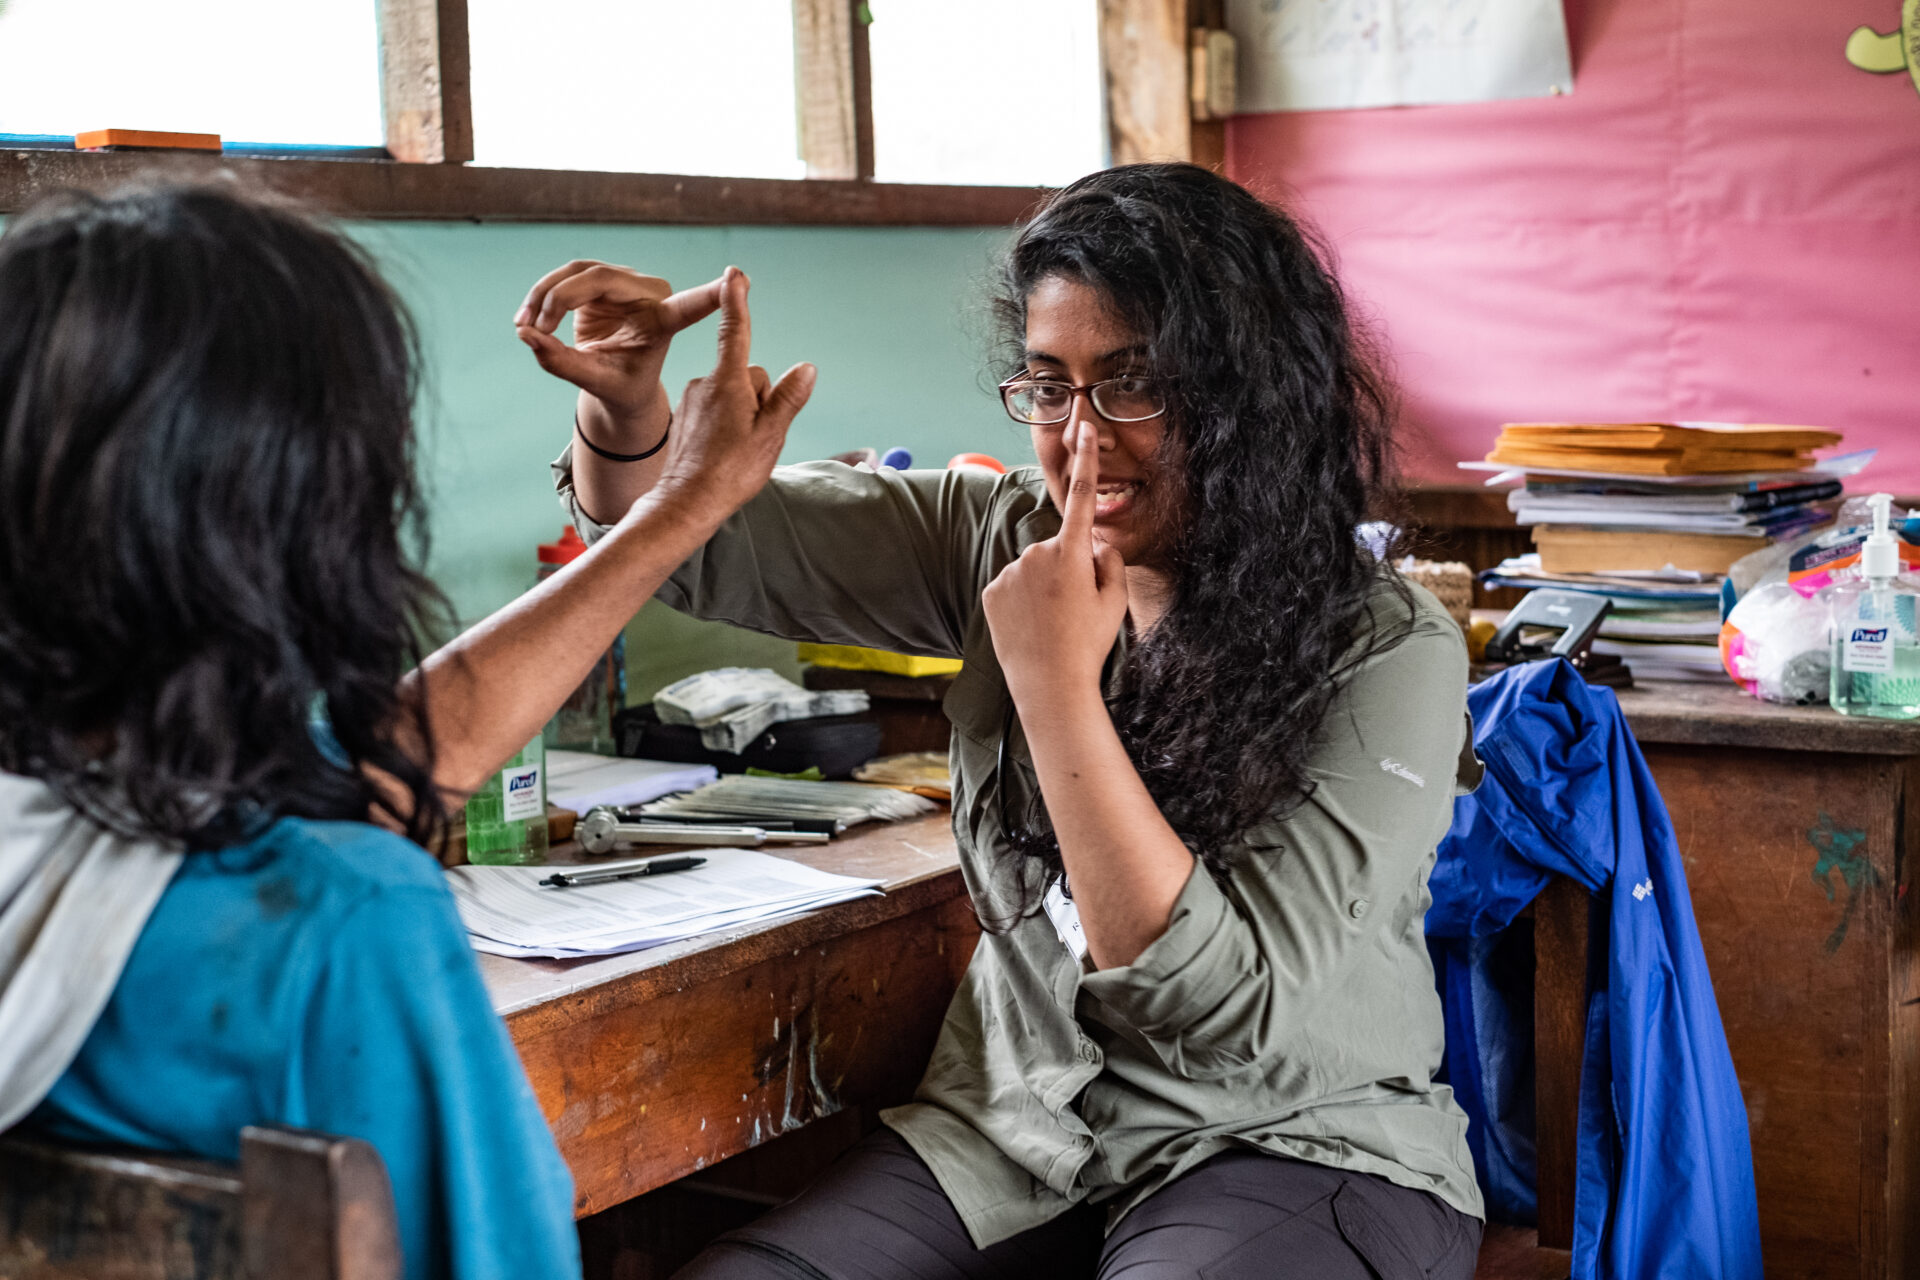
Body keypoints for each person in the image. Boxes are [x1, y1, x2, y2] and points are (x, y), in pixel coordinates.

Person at [524, 163, 1486, 1279]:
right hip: (1013, 1137)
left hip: (1293, 1139)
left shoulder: (1383, 644)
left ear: (1249, 394)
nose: (1082, 436)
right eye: (1049, 384)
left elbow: (1222, 1011)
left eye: (1135, 384)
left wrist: (1056, 690)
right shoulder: (1000, 534)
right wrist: (626, 406)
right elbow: (697, 548)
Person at [0, 184, 814, 1280]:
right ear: (293, 515)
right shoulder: (339, 926)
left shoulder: (73, 844)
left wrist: (678, 503)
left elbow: (377, 765)